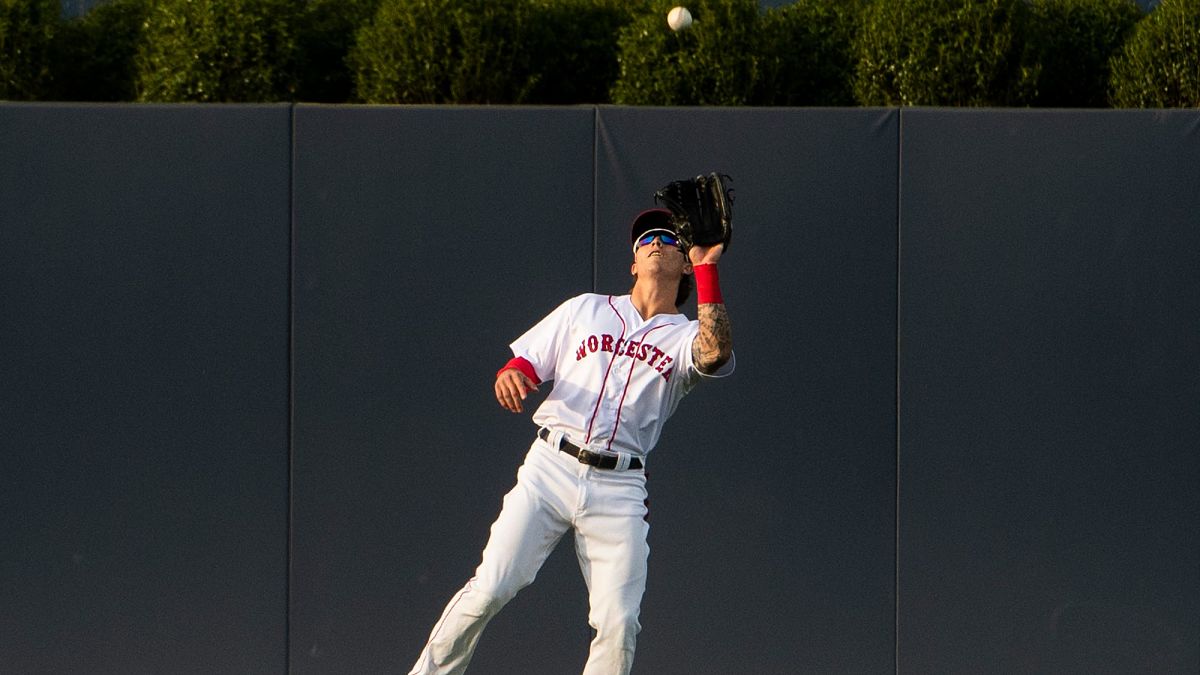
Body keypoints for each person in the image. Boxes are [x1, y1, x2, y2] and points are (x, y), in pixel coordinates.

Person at [407, 207, 735, 675]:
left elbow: (715, 351)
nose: (655, 242)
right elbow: (526, 362)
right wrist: (510, 374)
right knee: (491, 587)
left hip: (620, 486)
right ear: (633, 263)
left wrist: (707, 269)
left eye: (667, 238)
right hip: (551, 467)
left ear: (685, 264)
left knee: (619, 623)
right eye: (645, 239)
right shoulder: (587, 309)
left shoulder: (684, 337)